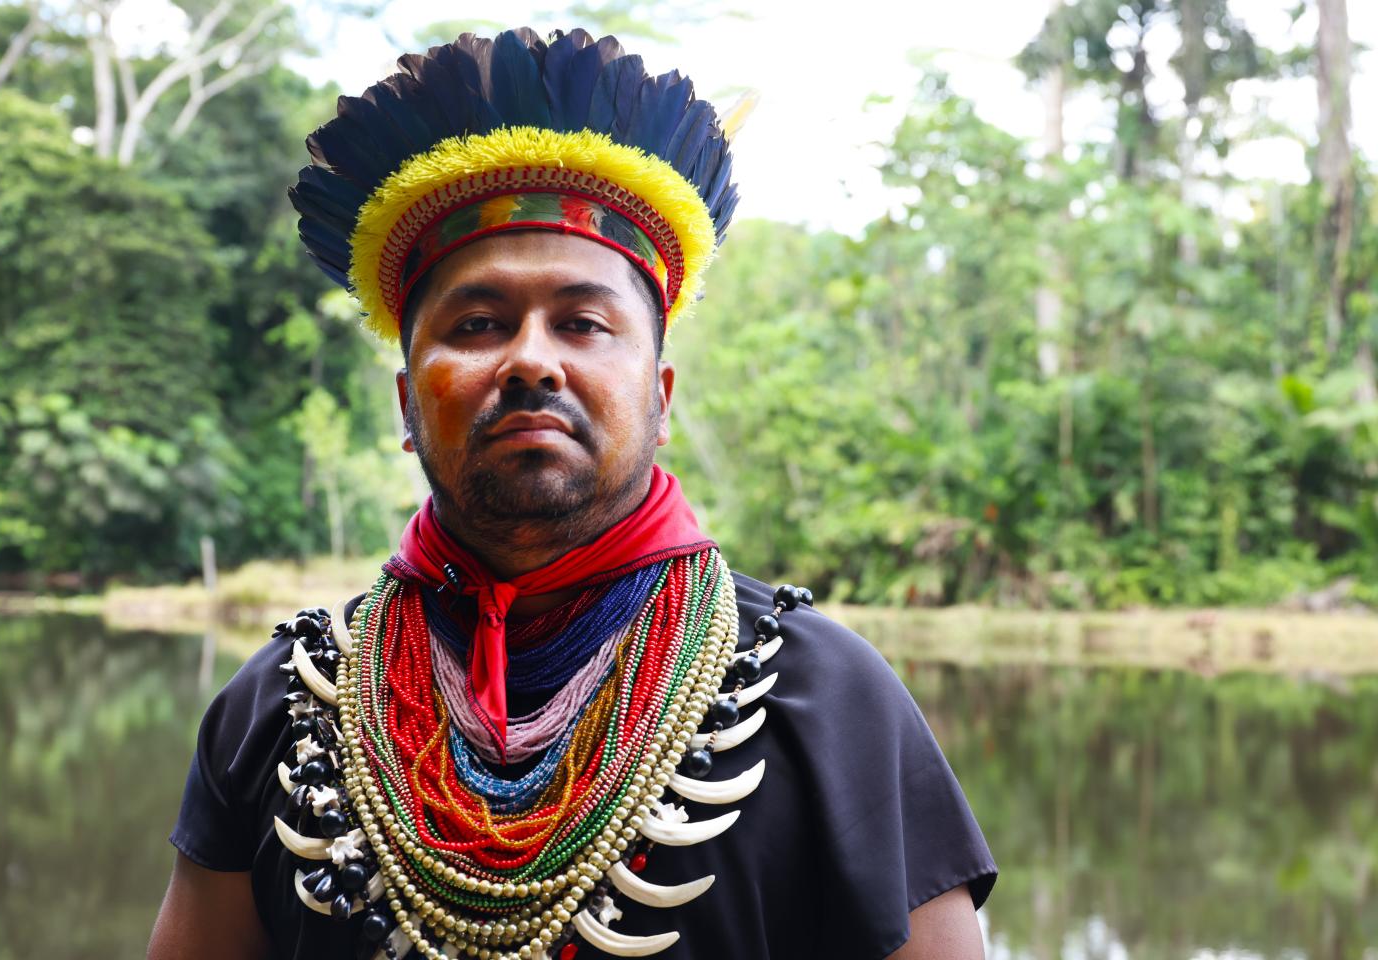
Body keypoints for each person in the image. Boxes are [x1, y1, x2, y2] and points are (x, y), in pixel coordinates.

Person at [148, 27, 996, 960]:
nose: (530, 362)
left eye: (583, 322)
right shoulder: (277, 710)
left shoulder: (828, 701)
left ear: (661, 398)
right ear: (406, 401)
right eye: (479, 324)